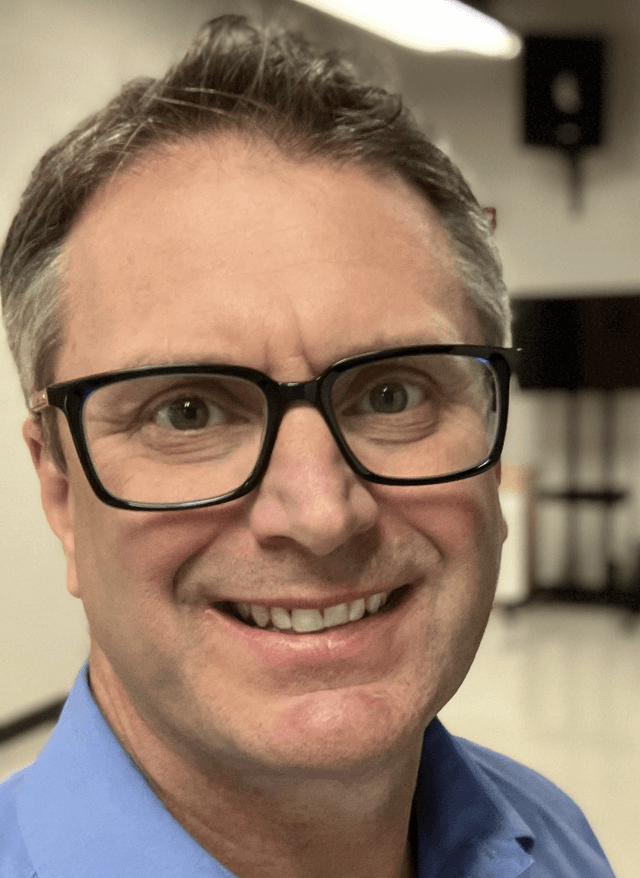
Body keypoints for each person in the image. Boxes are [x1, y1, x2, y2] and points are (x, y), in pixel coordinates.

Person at [0, 14, 615, 878]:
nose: (322, 514)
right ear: (61, 495)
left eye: (393, 395)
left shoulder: (553, 837)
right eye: (188, 412)